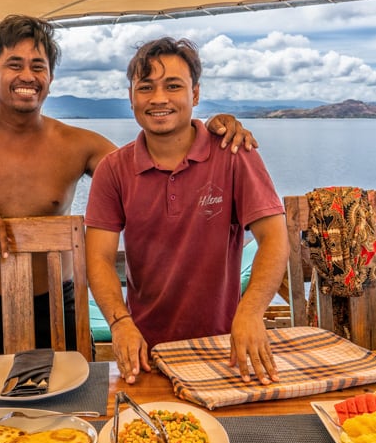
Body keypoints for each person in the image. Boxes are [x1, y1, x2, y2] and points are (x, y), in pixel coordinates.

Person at [0, 15, 257, 362]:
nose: (27, 76)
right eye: (14, 65)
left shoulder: (77, 144)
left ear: (50, 79)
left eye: (38, 66)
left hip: (58, 305)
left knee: (74, 407)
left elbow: (149, 165)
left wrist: (211, 129)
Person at [85, 37, 289, 386]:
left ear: (195, 95)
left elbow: (274, 238)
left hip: (226, 346)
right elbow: (99, 259)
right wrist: (120, 324)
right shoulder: (113, 170)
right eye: (145, 87)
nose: (159, 98)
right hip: (147, 353)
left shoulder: (234, 154)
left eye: (173, 86)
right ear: (132, 97)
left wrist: (251, 312)